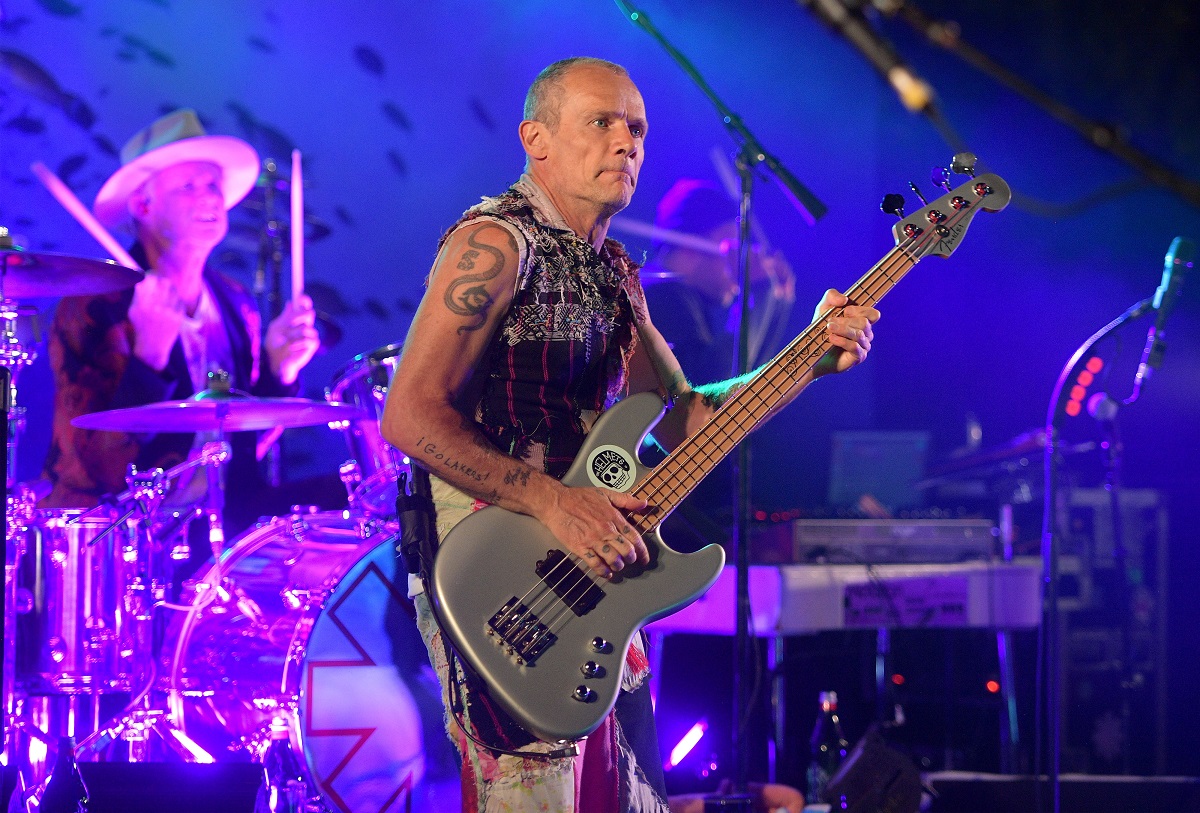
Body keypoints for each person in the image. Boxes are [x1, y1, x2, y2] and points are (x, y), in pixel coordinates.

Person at [382, 57, 878, 812]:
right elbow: (408, 414)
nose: (626, 143)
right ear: (536, 139)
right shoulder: (493, 244)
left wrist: (809, 358)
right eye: (601, 122)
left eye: (637, 128)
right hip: (499, 576)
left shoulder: (615, 272)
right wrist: (553, 502)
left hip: (593, 574)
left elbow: (689, 419)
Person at [41, 108, 320, 538]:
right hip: (120, 536)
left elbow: (239, 446)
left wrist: (278, 372)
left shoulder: (234, 301)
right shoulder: (96, 303)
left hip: (217, 531)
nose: (210, 197)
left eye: (213, 184)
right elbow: (92, 466)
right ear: (143, 204)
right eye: (189, 186)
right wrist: (149, 357)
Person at [640, 179, 798, 551]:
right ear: (692, 245)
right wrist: (754, 295)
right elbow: (706, 393)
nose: (743, 261)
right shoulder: (663, 296)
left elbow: (747, 385)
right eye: (734, 249)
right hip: (668, 508)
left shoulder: (687, 301)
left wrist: (774, 304)